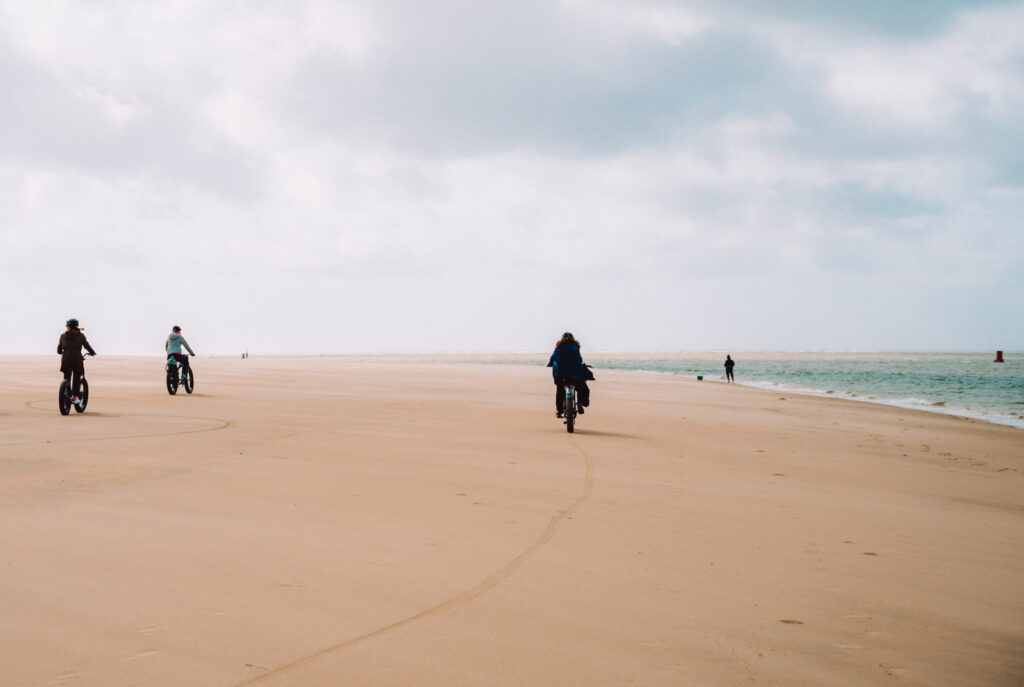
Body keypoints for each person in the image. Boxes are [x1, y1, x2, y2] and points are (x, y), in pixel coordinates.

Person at [546, 332, 594, 417]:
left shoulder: (558, 348)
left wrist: (550, 364)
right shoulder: (575, 347)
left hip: (561, 376)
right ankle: (580, 403)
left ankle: (560, 410)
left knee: (560, 391)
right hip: (575, 375)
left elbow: (552, 358)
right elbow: (579, 359)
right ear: (573, 339)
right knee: (582, 388)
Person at [58, 318, 96, 404]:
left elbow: (59, 349)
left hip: (66, 359)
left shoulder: (63, 336)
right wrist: (92, 352)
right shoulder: (80, 336)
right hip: (77, 359)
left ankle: (66, 393)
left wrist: (61, 352)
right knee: (77, 377)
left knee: (67, 377)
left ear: (69, 327)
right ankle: (75, 397)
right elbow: (86, 345)